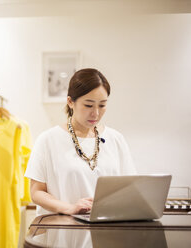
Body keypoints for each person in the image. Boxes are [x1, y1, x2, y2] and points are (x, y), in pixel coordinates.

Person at [25, 68, 137, 216]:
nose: (96, 113)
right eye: (88, 105)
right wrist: (69, 208)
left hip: (108, 230)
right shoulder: (48, 140)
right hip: (64, 230)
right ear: (70, 102)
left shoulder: (116, 139)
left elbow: (130, 188)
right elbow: (37, 192)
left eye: (102, 105)